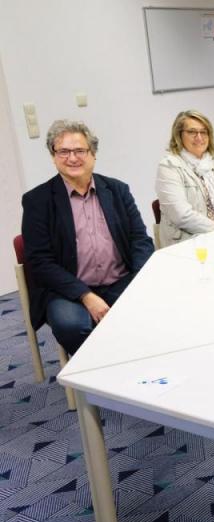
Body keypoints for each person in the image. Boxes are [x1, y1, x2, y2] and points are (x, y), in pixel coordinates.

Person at [21, 120, 154, 355]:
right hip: (67, 290)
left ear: (93, 154)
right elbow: (40, 262)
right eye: (63, 151)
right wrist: (85, 295)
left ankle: (134, 360)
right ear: (53, 156)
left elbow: (140, 240)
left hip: (120, 280)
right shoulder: (37, 201)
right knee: (72, 326)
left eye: (79, 151)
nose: (72, 158)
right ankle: (107, 369)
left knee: (154, 307)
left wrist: (140, 281)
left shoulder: (117, 190)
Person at [155, 110, 214, 247]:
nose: (199, 137)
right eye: (192, 132)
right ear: (179, 135)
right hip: (189, 243)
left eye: (204, 132)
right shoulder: (169, 167)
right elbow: (182, 215)